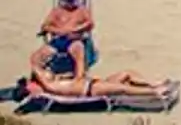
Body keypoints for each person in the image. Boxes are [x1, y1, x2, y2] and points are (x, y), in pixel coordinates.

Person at [27, 42, 171, 100]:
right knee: (124, 88)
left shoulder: (57, 81)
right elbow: (35, 65)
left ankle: (153, 83)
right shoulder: (50, 85)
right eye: (46, 73)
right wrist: (38, 66)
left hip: (96, 83)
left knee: (126, 73)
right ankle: (155, 92)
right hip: (91, 90)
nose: (48, 71)